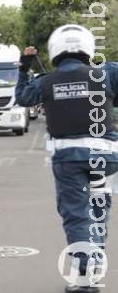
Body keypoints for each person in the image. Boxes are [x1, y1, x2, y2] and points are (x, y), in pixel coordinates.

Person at [15, 24, 118, 293]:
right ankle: (95, 264)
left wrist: (24, 68)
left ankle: (86, 278)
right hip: (106, 157)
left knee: (77, 216)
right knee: (98, 211)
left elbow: (23, 98)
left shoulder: (45, 80)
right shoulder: (106, 72)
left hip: (69, 158)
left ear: (55, 50)